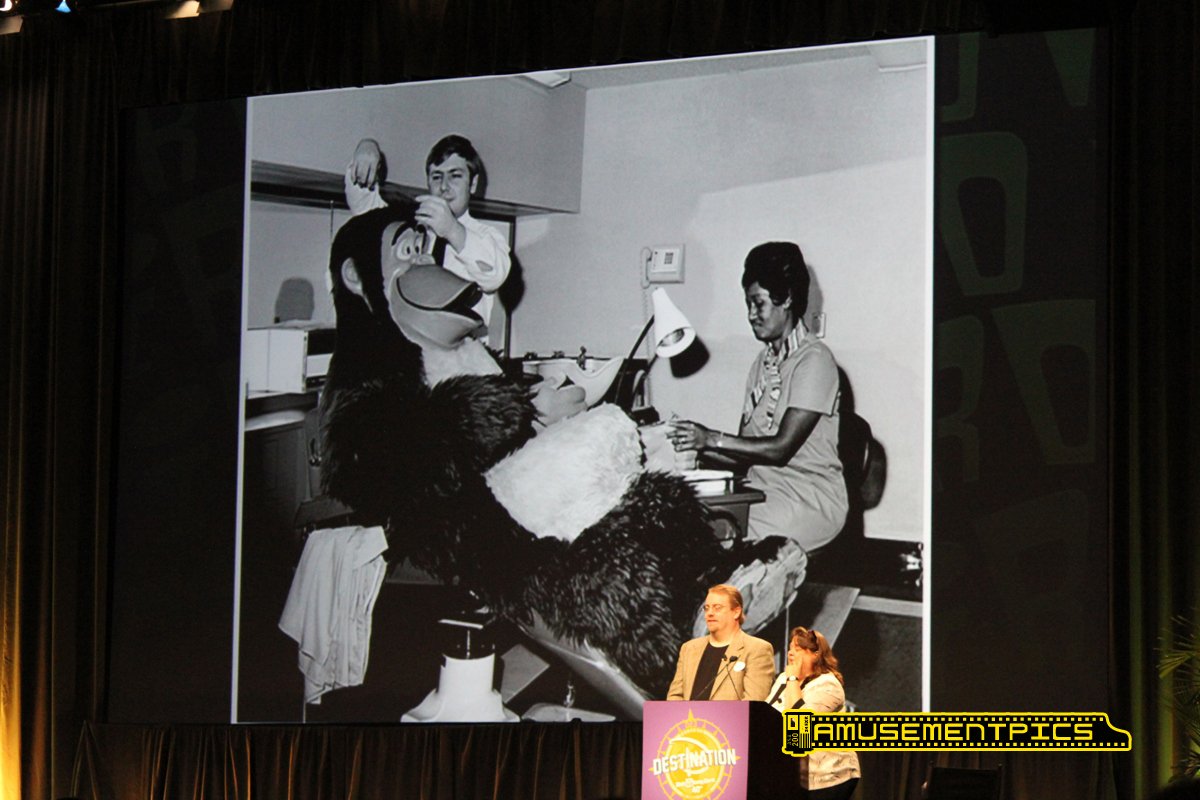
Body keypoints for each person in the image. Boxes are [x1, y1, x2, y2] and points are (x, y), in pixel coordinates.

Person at [668, 242, 848, 624]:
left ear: (787, 300)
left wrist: (709, 438)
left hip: (808, 498)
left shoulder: (815, 361)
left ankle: (727, 624)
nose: (751, 314)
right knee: (684, 518)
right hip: (761, 489)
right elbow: (744, 451)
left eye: (758, 303)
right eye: (748, 303)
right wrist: (687, 446)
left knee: (718, 533)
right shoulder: (763, 364)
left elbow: (780, 448)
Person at [345, 135, 511, 329]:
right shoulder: (410, 228)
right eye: (436, 177)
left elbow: (494, 275)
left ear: (473, 184)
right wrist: (367, 148)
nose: (444, 186)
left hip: (461, 347)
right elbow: (364, 208)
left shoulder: (486, 236)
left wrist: (451, 229)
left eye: (455, 176)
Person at [767, 626, 860, 800]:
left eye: (798, 649)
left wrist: (793, 679)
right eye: (790, 648)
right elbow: (767, 715)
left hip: (828, 777)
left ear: (816, 655)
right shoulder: (782, 680)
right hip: (793, 776)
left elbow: (800, 731)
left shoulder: (828, 685)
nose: (790, 653)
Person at [666, 584, 775, 701]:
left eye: (717, 608)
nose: (709, 613)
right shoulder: (689, 648)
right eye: (706, 608)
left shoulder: (757, 649)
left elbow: (754, 703)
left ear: (736, 612)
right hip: (688, 714)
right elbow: (674, 696)